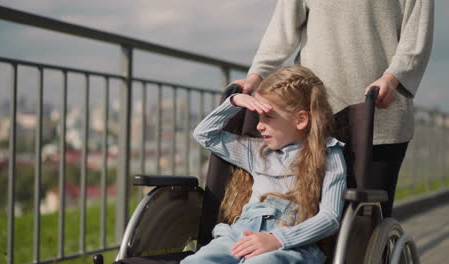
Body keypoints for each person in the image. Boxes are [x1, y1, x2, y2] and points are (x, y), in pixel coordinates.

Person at [233, 0, 434, 217]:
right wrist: (255, 77)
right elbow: (280, 33)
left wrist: (392, 78)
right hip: (314, 119)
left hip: (379, 117)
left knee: (367, 222)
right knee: (303, 215)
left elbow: (415, 38)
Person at [181, 65, 346, 264]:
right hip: (238, 236)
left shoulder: (328, 153)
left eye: (268, 116)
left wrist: (277, 240)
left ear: (301, 119)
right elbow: (204, 135)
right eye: (258, 117)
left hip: (288, 243)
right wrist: (234, 102)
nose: (259, 126)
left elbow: (330, 217)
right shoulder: (257, 152)